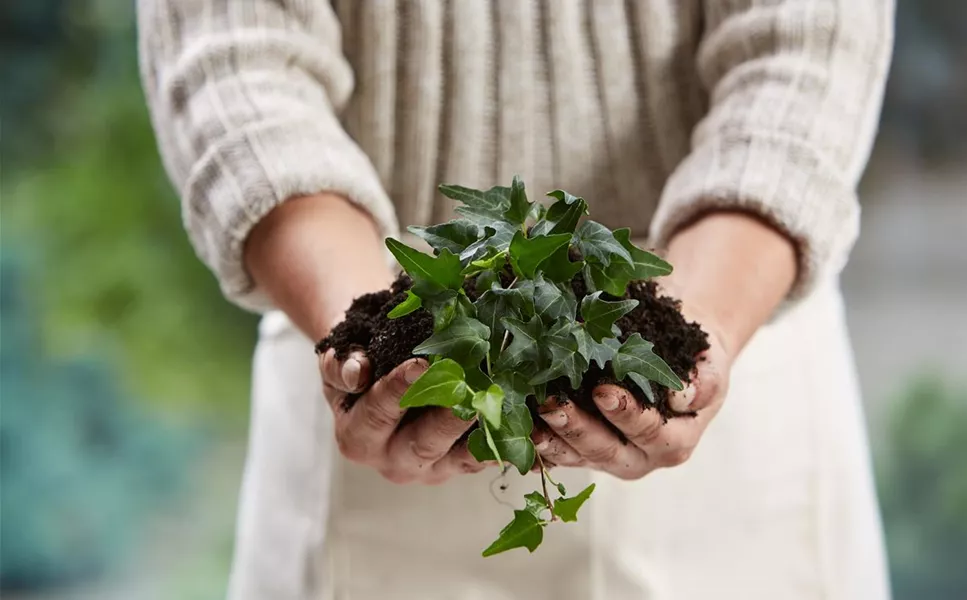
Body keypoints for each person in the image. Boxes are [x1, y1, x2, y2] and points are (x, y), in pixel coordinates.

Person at [138, 1, 894, 598]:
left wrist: (703, 326)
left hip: (739, 358)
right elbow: (236, 62)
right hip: (363, 411)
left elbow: (808, 45)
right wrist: (367, 319)